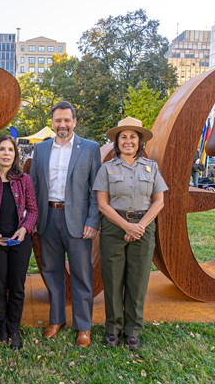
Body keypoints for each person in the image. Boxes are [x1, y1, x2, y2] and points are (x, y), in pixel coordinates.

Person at [30, 101, 101, 348]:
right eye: (58, 120)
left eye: (67, 120)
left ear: (74, 122)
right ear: (52, 123)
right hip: (49, 219)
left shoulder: (91, 149)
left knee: (82, 275)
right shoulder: (41, 150)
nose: (62, 124)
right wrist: (35, 218)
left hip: (79, 222)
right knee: (52, 273)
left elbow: (96, 189)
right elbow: (35, 186)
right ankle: (56, 319)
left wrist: (93, 220)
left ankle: (83, 327)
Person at [93, 117, 167, 350]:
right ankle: (112, 328)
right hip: (115, 227)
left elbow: (159, 202)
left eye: (132, 137)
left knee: (138, 280)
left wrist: (140, 226)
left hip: (143, 226)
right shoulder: (107, 168)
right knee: (113, 280)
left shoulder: (151, 167)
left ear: (140, 141)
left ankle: (133, 329)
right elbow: (102, 204)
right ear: (117, 142)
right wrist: (127, 226)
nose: (128, 141)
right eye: (123, 137)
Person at [0, 136, 37, 350]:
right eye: (1, 149)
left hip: (19, 241)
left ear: (15, 154)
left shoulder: (24, 180)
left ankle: (14, 329)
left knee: (17, 287)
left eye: (10, 150)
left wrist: (24, 229)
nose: (6, 153)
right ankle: (1, 329)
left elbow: (32, 210)